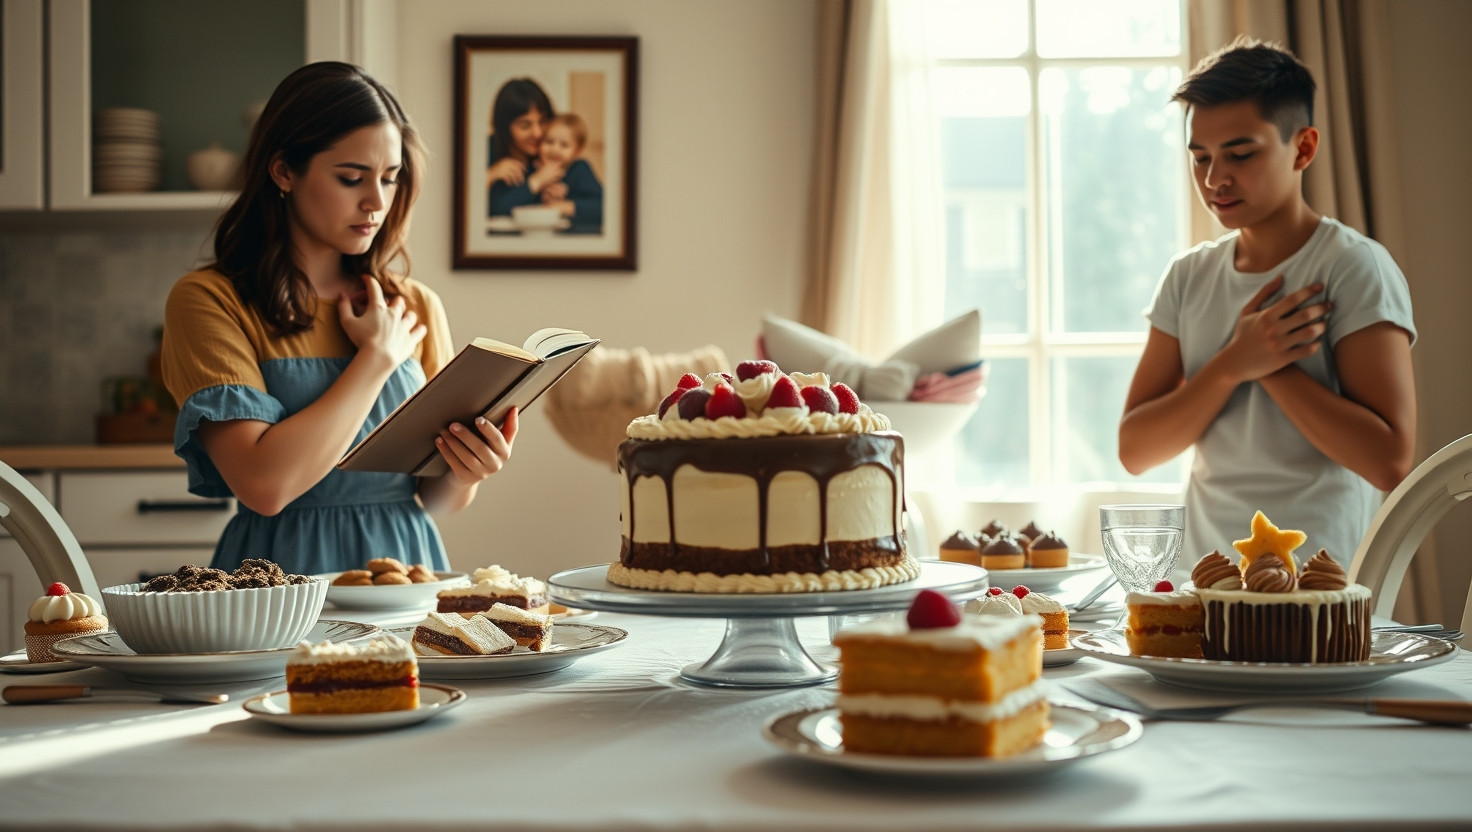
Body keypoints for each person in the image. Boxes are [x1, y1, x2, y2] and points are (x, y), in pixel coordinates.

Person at [161, 62, 518, 576]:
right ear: (283, 171)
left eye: (390, 179)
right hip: (281, 580)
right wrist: (376, 359)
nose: (376, 202)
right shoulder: (209, 300)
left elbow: (436, 500)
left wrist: (468, 471)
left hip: (405, 573)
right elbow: (265, 486)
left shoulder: (414, 305)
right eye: (351, 178)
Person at [1117, 37, 1416, 570]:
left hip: (1321, 584)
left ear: (1302, 148)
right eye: (1201, 158)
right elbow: (1136, 450)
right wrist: (1234, 363)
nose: (1214, 180)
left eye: (1240, 153)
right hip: (1203, 579)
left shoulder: (1354, 267)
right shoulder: (1188, 276)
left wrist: (1274, 369)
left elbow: (1390, 462)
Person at [486, 77, 563, 218]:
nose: (537, 133)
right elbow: (494, 209)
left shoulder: (554, 153)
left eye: (543, 121)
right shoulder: (484, 151)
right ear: (505, 127)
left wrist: (564, 204)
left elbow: (600, 205)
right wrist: (488, 177)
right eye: (525, 125)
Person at [537, 113, 604, 234]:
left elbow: (602, 207)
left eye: (564, 145)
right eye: (549, 142)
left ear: (577, 151)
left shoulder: (580, 169)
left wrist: (565, 207)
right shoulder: (535, 171)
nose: (555, 149)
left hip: (578, 238)